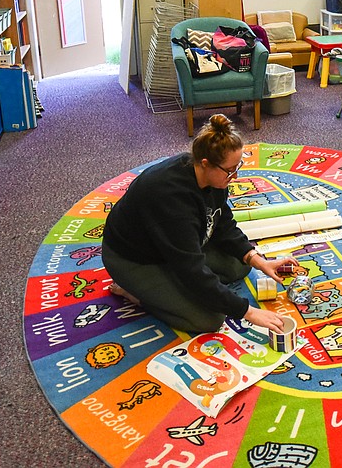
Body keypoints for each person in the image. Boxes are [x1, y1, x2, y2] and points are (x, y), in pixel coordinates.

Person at [100, 114, 298, 334]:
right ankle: (135, 294)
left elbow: (222, 222)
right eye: (230, 170)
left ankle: (169, 287)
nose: (236, 175)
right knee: (208, 320)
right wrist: (248, 312)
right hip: (134, 259)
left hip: (173, 248)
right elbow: (191, 269)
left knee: (240, 264)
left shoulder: (214, 178)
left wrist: (259, 261)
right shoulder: (171, 200)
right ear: (206, 164)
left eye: (238, 166)